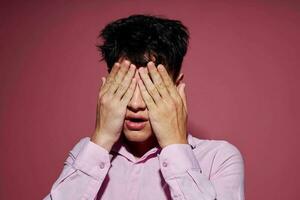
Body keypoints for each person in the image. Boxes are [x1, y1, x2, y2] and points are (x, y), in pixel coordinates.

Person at [43, 14, 244, 200]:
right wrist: (101, 140)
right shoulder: (86, 154)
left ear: (176, 87)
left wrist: (174, 145)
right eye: (126, 86)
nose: (135, 104)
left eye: (151, 86)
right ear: (107, 89)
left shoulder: (218, 159)